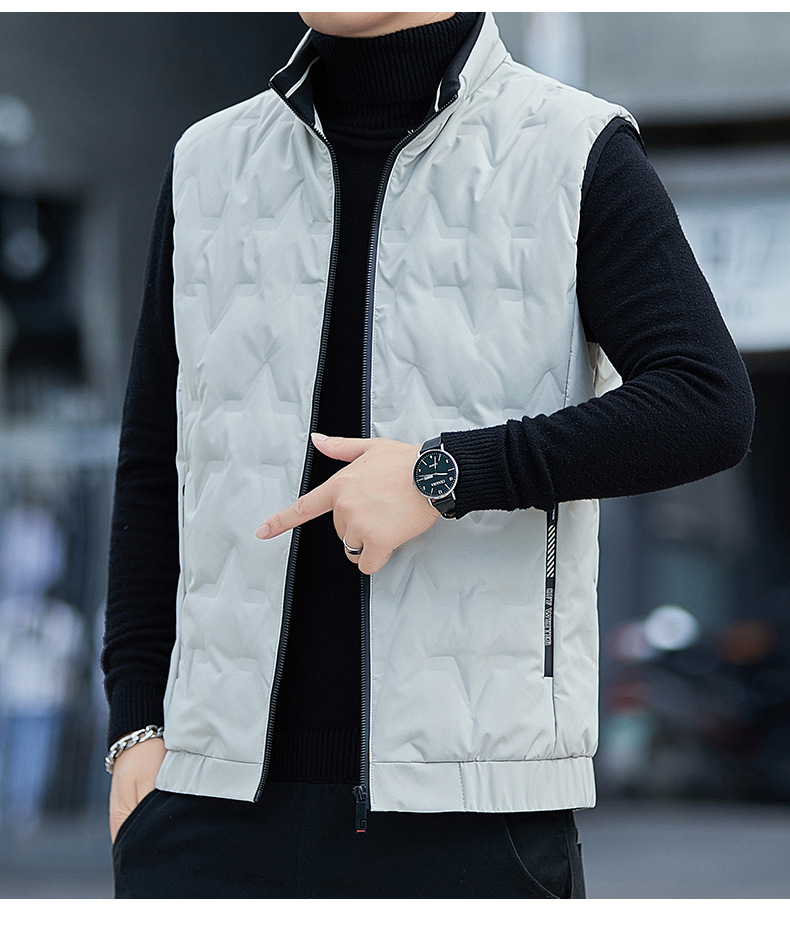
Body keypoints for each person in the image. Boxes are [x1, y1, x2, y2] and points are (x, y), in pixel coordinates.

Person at [101, 12, 754, 898]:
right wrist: (135, 727)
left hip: (468, 820)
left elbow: (706, 400)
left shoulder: (573, 148)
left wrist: (444, 475)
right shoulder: (207, 161)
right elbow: (155, 459)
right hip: (203, 811)